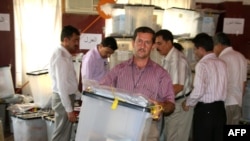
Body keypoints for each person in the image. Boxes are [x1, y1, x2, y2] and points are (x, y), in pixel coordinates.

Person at [100, 26, 175, 141]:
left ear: (153, 46)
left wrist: (161, 107)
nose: (142, 46)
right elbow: (101, 90)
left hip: (147, 127)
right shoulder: (118, 70)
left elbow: (171, 104)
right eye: (139, 41)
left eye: (147, 42)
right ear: (133, 43)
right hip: (119, 126)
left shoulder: (161, 74)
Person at [182, 33, 227, 141]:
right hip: (220, 110)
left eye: (195, 50)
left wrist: (188, 103)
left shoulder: (202, 65)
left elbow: (198, 90)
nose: (195, 53)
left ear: (201, 49)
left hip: (206, 111)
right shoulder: (222, 63)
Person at [154, 30, 193, 141]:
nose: (157, 47)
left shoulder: (177, 59)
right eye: (156, 43)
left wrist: (160, 101)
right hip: (171, 103)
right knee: (168, 135)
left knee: (175, 137)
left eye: (160, 43)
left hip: (179, 104)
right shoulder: (167, 58)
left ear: (169, 42)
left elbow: (178, 87)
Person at [49, 25, 80, 141]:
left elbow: (69, 80)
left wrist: (78, 94)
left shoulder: (65, 55)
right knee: (61, 133)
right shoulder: (60, 57)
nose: (76, 43)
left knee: (65, 133)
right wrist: (69, 109)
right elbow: (62, 86)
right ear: (66, 40)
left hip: (66, 97)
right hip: (63, 99)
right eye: (75, 40)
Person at [213, 32, 248, 125]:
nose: (213, 50)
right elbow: (243, 84)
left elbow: (218, 84)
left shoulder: (222, 59)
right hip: (238, 102)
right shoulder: (241, 57)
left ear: (219, 45)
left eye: (214, 47)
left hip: (225, 103)